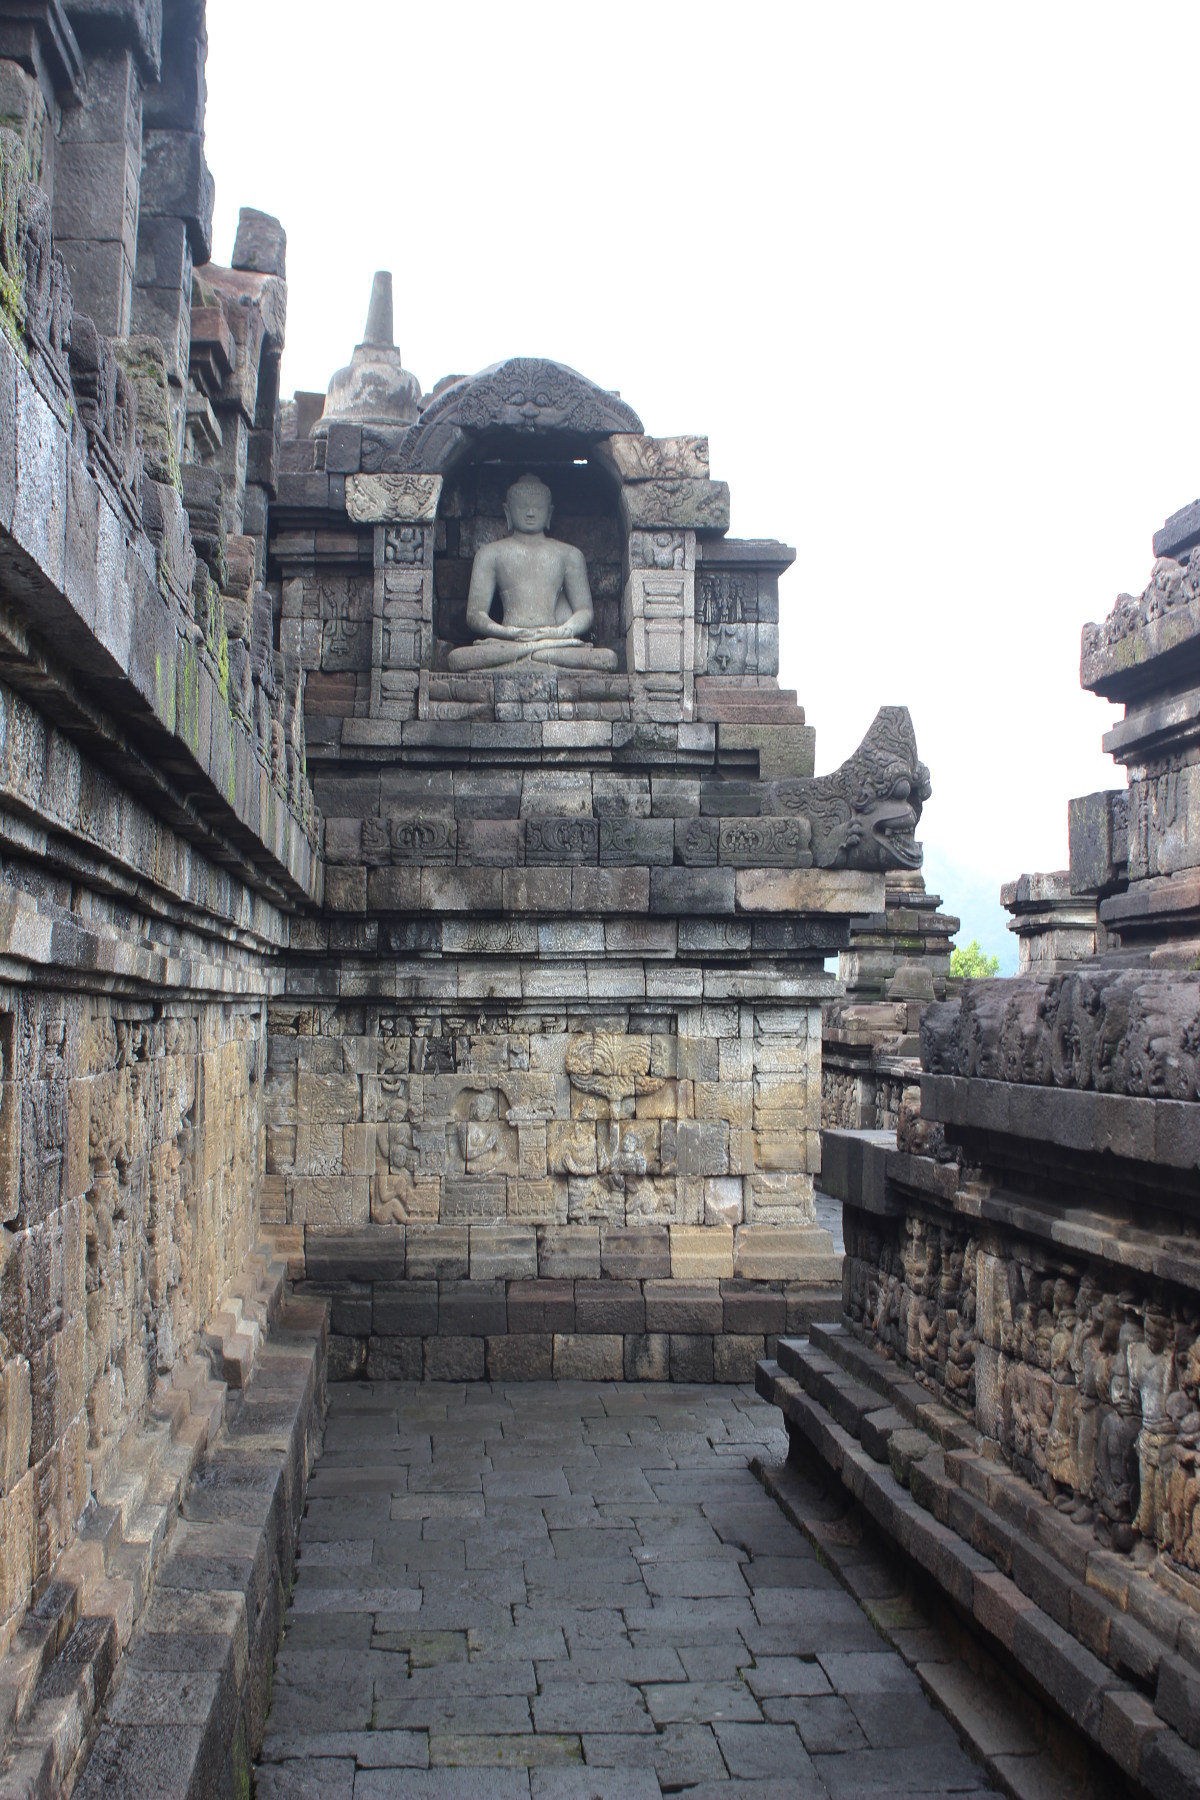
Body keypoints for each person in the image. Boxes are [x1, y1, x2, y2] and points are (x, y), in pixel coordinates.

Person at [447, 473, 617, 671]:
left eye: (537, 507)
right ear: (507, 511)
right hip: (507, 643)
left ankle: (531, 656)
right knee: (458, 659)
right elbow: (475, 615)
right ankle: (535, 656)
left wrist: (562, 632)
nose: (530, 513)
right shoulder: (490, 554)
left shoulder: (569, 554)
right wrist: (507, 632)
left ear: (549, 513)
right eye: (522, 506)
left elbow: (585, 612)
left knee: (606, 659)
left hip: (553, 642)